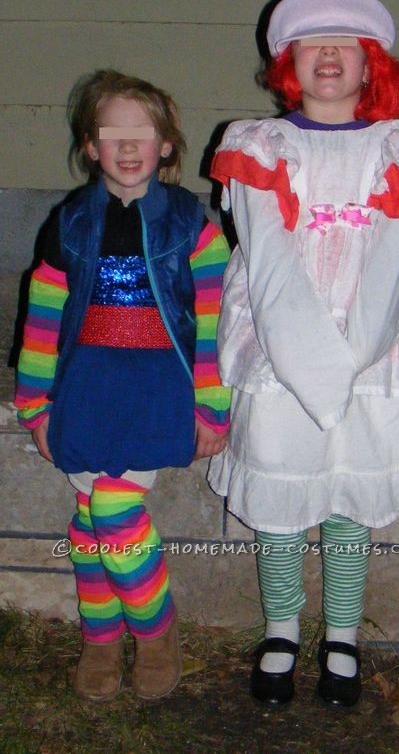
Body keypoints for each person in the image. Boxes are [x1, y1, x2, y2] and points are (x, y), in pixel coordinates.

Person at [208, 0, 399, 707]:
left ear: (369, 66)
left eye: (345, 45)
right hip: (278, 340)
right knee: (281, 491)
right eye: (311, 43)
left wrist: (351, 356)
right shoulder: (257, 145)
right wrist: (303, 360)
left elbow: (395, 255)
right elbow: (265, 257)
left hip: (376, 342)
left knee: (347, 496)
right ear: (289, 62)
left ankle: (344, 634)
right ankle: (282, 626)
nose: (328, 54)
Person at [15, 69, 231, 701]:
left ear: (167, 145)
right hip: (85, 387)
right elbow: (42, 318)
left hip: (156, 388)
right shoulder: (70, 224)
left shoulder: (194, 226)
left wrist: (212, 405)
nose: (130, 146)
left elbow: (214, 325)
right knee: (87, 523)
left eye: (145, 132)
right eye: (114, 133)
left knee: (114, 513)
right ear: (91, 145)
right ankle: (100, 640)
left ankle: (156, 634)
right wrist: (34, 403)